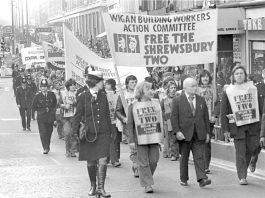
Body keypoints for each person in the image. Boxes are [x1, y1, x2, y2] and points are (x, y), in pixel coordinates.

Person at [72, 71, 112, 197]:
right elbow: (77, 115)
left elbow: (106, 115)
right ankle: (93, 185)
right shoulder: (83, 97)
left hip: (103, 133)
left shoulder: (103, 96)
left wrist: (111, 131)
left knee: (103, 160)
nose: (103, 83)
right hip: (89, 134)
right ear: (95, 82)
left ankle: (101, 188)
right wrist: (74, 133)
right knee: (91, 162)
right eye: (101, 81)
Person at [220, 65, 263, 185]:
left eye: (241, 73)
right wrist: (225, 130)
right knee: (240, 152)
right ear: (233, 76)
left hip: (253, 125)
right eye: (237, 73)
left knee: (251, 149)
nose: (239, 75)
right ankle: (242, 176)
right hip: (237, 126)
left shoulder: (253, 88)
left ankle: (250, 162)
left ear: (245, 75)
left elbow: (260, 107)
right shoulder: (228, 91)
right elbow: (224, 110)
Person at [171, 77, 211, 187]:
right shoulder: (177, 100)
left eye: (195, 85)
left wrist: (207, 133)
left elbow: (205, 118)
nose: (195, 88)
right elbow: (174, 118)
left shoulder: (201, 99)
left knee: (199, 157)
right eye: (192, 86)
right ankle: (184, 178)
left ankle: (202, 178)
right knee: (184, 157)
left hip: (199, 133)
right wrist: (177, 132)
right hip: (184, 134)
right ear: (185, 87)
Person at [127, 81, 161, 193]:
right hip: (140, 138)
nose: (151, 91)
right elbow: (130, 124)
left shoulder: (156, 103)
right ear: (141, 92)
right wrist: (131, 140)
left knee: (154, 160)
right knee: (143, 162)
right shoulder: (133, 105)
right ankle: (148, 184)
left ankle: (146, 176)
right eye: (148, 89)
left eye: (152, 89)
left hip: (153, 137)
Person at [197, 69, 220, 174]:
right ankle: (200, 162)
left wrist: (215, 115)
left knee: (207, 142)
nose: (205, 78)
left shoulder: (213, 88)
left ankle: (206, 166)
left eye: (207, 76)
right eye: (203, 76)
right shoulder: (196, 89)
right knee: (199, 141)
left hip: (210, 119)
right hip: (198, 119)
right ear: (200, 78)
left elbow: (217, 103)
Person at [115, 75, 138, 177]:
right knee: (133, 147)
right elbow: (118, 110)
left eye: (135, 82)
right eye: (132, 82)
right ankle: (136, 166)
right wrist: (124, 118)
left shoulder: (139, 94)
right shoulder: (123, 95)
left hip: (139, 123)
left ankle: (142, 165)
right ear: (127, 84)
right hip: (129, 125)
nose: (134, 84)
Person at [31, 79, 57, 154]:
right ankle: (45, 147)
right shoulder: (37, 96)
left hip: (50, 117)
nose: (44, 88)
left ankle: (47, 145)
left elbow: (54, 104)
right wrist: (40, 111)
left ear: (47, 87)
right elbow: (33, 106)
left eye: (45, 86)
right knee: (43, 133)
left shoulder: (52, 94)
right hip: (41, 117)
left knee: (49, 132)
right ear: (40, 87)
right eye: (42, 87)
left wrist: (53, 116)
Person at [249, 68, 265, 172]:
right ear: (263, 74)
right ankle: (253, 158)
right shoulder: (257, 87)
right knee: (258, 143)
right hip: (260, 118)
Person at [161, 80, 180, 161]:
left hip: (179, 121)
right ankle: (173, 154)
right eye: (171, 88)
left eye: (174, 87)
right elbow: (161, 110)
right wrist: (165, 118)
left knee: (179, 138)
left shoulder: (180, 97)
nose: (173, 89)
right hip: (169, 122)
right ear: (168, 89)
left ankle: (179, 154)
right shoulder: (164, 99)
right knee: (172, 139)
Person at [105, 79, 121, 167]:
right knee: (111, 140)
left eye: (107, 84)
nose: (105, 86)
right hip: (108, 121)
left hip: (116, 120)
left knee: (115, 140)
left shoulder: (117, 94)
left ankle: (109, 158)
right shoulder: (104, 94)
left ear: (110, 85)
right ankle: (114, 160)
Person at [61, 78, 78, 157]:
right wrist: (64, 106)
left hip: (74, 116)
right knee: (67, 133)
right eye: (71, 85)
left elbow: (78, 103)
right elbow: (59, 104)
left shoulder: (77, 93)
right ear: (68, 86)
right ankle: (67, 150)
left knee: (74, 134)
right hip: (66, 117)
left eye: (74, 85)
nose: (73, 86)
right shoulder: (63, 93)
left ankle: (73, 150)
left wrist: (72, 102)